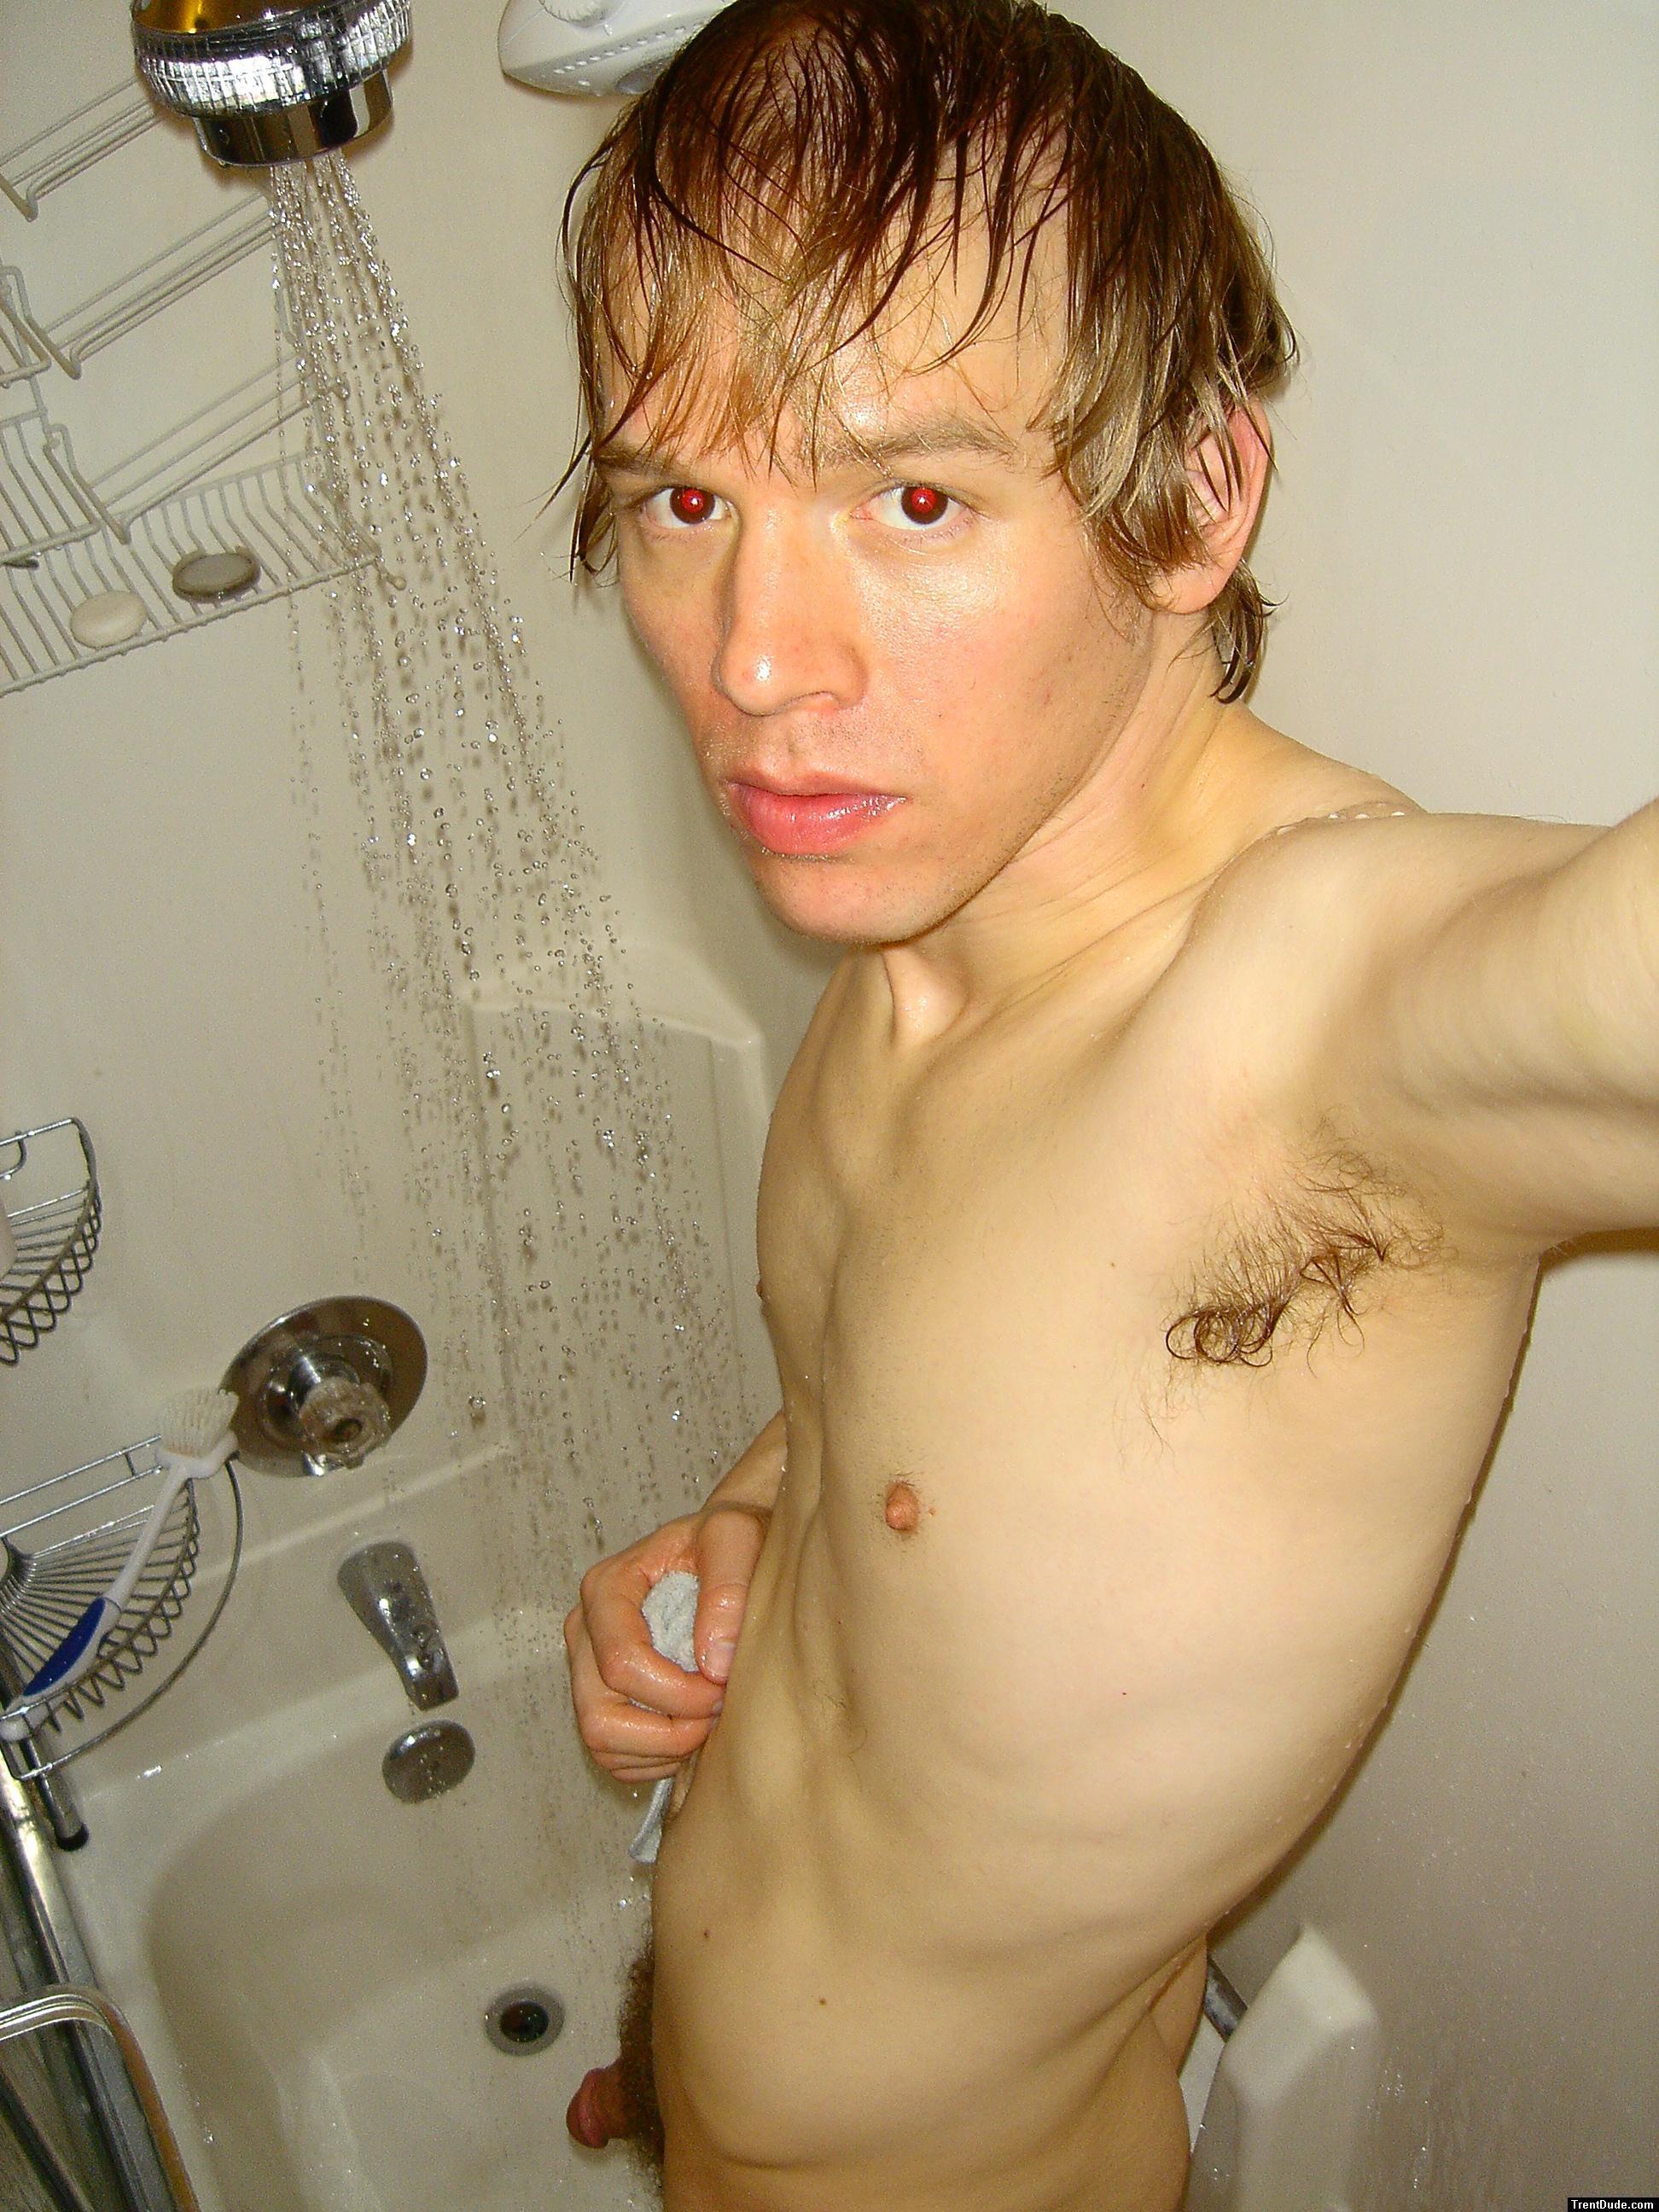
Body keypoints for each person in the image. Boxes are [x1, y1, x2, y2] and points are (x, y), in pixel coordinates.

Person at [554, 2, 1659, 2204]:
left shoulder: (1305, 1023)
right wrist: (759, 1525)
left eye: (915, 497)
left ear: (1193, 503)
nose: (756, 661)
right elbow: (920, 1376)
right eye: (687, 498)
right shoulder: (921, 908)